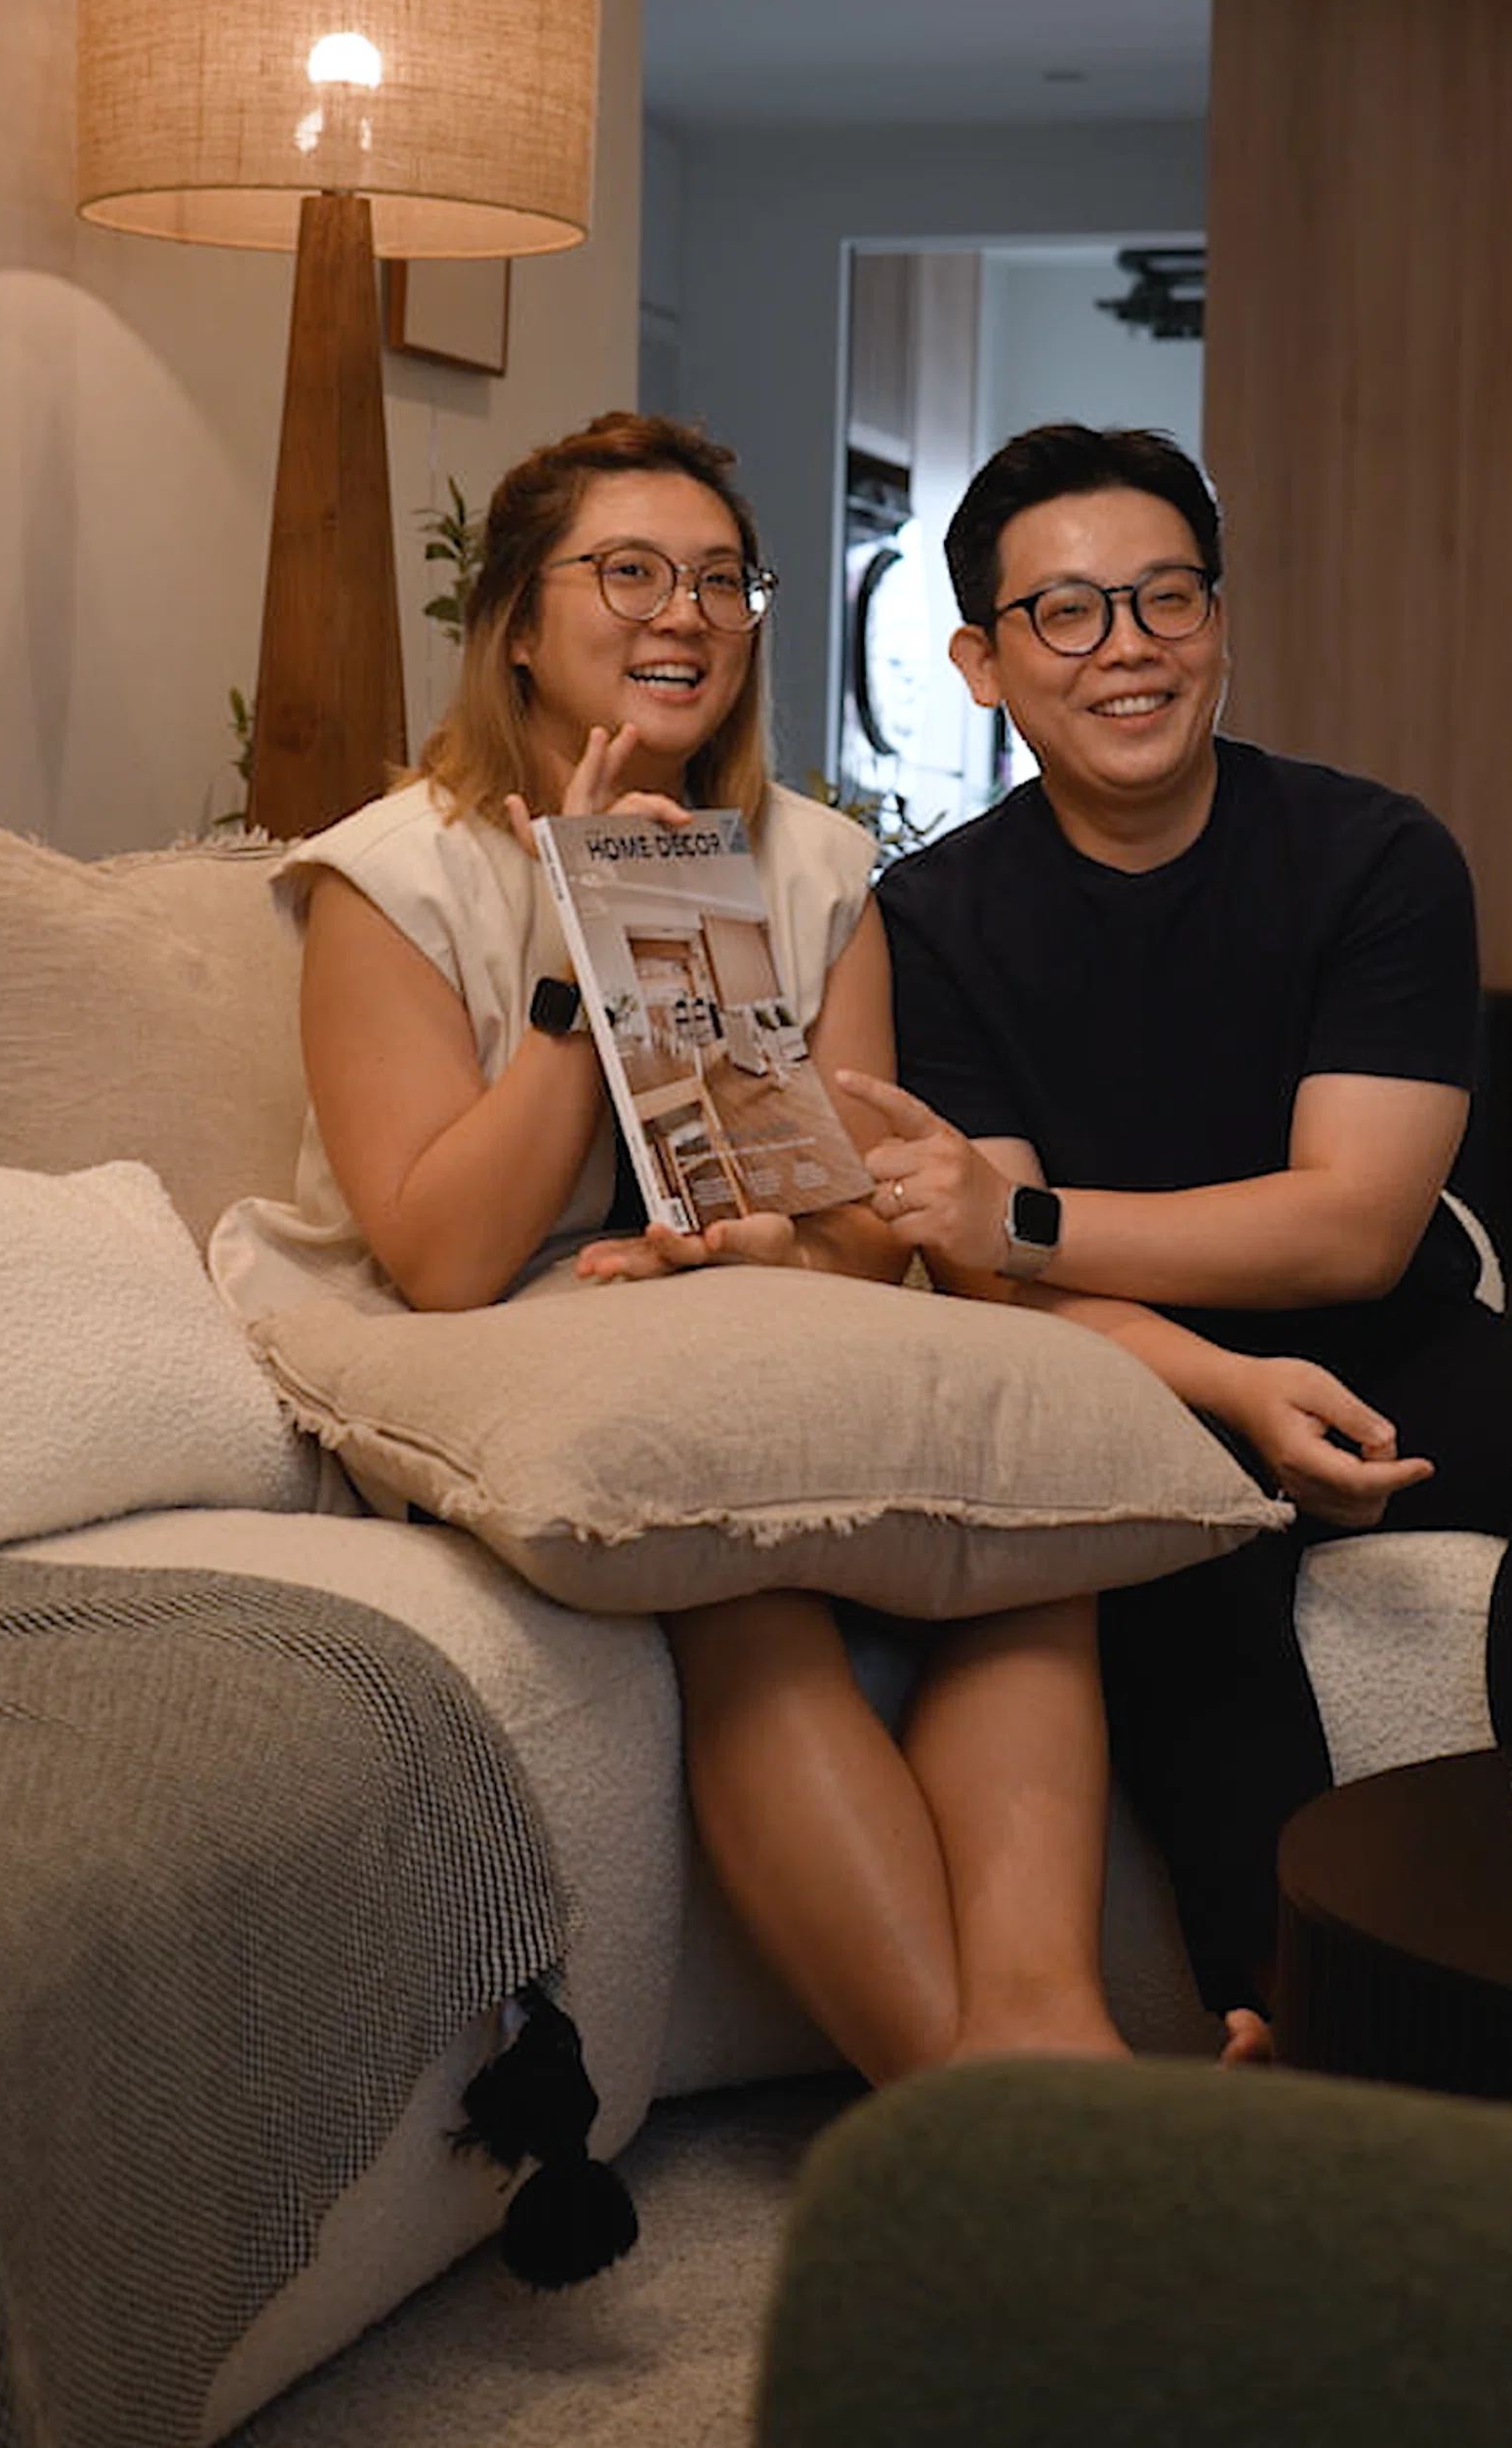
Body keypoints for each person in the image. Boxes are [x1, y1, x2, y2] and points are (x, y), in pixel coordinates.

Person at [213, 410, 1125, 2084]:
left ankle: (1052, 2039)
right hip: (485, 1346)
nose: (684, 614)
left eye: (720, 579)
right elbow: (444, 1257)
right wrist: (583, 933)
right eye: (628, 572)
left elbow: (859, 1247)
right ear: (516, 618)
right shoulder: (389, 876)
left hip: (731, 1323)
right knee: (745, 1578)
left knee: (1028, 1545)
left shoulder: (817, 864)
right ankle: (972, 2100)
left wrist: (752, 1251)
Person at [841, 421, 1512, 2060]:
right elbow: (991, 1287)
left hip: (1398, 1349)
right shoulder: (932, 920)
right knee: (1166, 1534)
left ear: (1224, 623)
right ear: (981, 662)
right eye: (1066, 613)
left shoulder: (1374, 855)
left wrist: (1032, 1223)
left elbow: (1352, 1225)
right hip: (1139, 1378)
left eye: (1163, 598)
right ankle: (1303, 2019)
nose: (1126, 648)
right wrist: (1217, 1381)